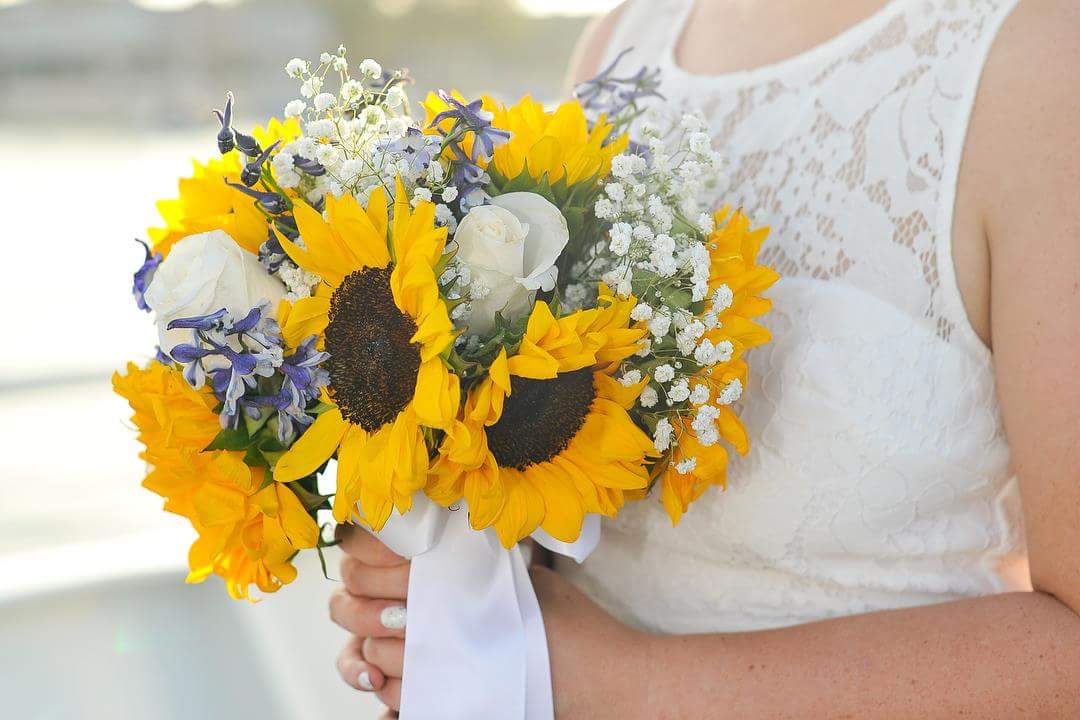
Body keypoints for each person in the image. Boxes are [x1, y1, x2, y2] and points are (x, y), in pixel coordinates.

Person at [329, 0, 1080, 716]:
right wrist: (449, 576)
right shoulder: (623, 44)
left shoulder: (1037, 65)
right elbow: (566, 473)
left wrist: (636, 688)